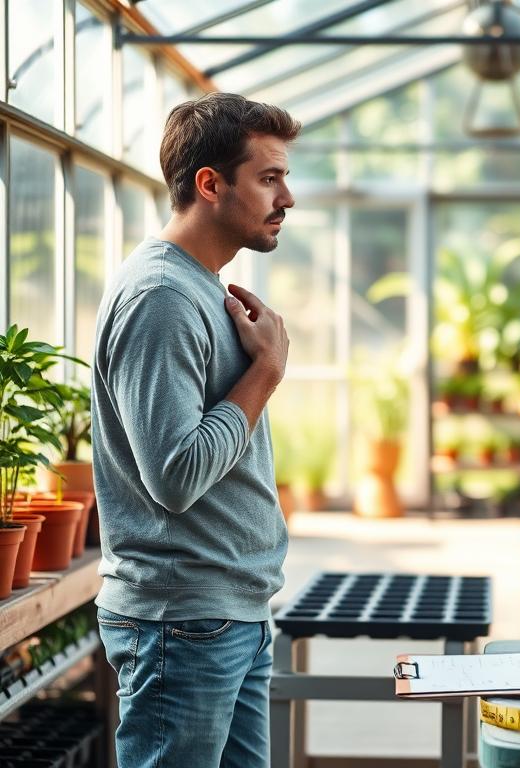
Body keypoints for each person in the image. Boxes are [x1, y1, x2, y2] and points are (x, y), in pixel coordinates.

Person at [91, 92, 300, 768]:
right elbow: (175, 475)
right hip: (181, 622)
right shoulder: (163, 297)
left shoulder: (202, 288)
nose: (288, 197)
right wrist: (264, 372)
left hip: (224, 612)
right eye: (270, 177)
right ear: (210, 184)